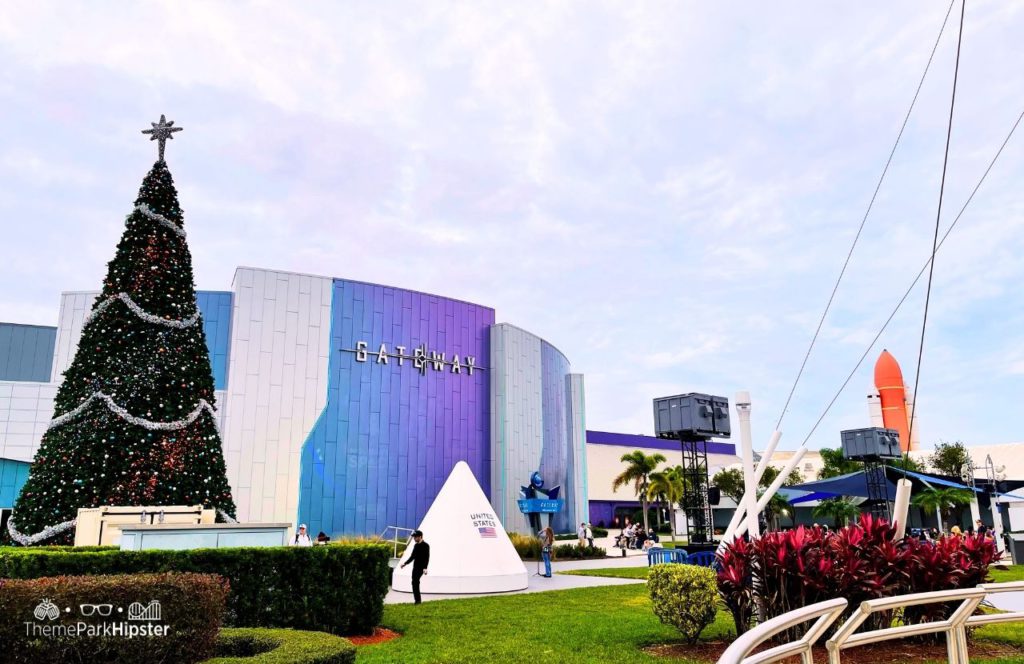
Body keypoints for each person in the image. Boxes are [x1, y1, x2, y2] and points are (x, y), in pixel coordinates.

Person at [401, 530, 430, 604]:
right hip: (415, 567)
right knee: (414, 582)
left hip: (421, 568)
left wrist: (425, 568)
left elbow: (427, 557)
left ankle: (418, 600)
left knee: (416, 581)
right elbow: (412, 556)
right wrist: (405, 563)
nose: (414, 538)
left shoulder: (426, 545)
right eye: (414, 537)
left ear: (420, 537)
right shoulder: (416, 545)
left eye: (415, 537)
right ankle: (417, 600)